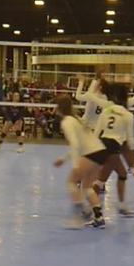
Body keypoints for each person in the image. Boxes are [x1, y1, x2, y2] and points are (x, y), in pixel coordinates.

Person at [53, 95, 108, 229]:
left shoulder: (67, 122)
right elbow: (80, 143)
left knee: (71, 182)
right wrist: (64, 159)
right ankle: (98, 217)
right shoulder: (76, 119)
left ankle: (78, 218)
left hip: (91, 153)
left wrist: (75, 165)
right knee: (87, 187)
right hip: (101, 152)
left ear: (59, 108)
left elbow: (75, 144)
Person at [92, 84, 134, 218]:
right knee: (101, 180)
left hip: (102, 144)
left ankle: (122, 206)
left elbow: (96, 133)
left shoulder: (106, 111)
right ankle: (89, 207)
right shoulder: (128, 115)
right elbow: (130, 139)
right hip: (112, 147)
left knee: (122, 174)